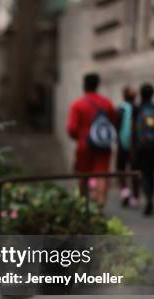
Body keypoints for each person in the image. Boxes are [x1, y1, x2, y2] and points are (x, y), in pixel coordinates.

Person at [67, 73, 116, 209]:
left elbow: (71, 128)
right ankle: (100, 204)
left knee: (83, 174)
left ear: (84, 85)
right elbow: (113, 123)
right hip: (103, 145)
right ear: (97, 85)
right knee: (101, 174)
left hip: (84, 145)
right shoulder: (107, 103)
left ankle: (84, 205)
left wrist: (80, 137)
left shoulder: (78, 104)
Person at [134, 83, 154, 216]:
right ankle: (150, 197)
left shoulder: (138, 109)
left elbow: (134, 129)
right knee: (151, 172)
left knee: (145, 173)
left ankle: (148, 198)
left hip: (143, 145)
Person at [116, 85, 140, 208]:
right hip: (135, 145)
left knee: (121, 169)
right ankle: (135, 197)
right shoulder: (138, 108)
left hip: (122, 144)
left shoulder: (119, 109)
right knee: (135, 170)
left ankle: (125, 192)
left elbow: (116, 126)